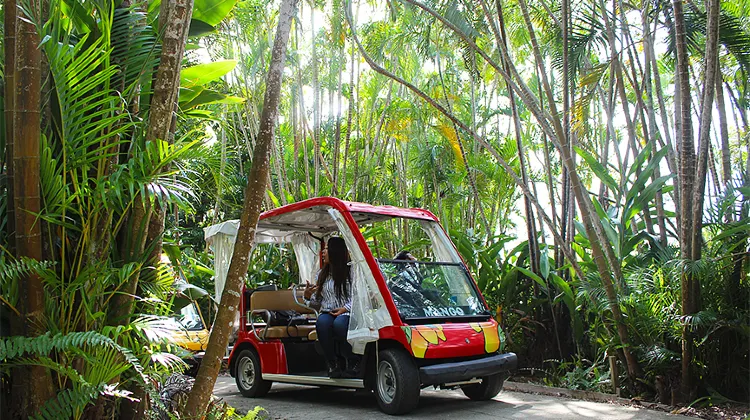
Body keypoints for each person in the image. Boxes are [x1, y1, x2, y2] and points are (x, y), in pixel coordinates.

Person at [303, 237, 360, 378]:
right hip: (328, 311)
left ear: (336, 251)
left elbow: (359, 296)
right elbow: (317, 303)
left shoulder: (352, 272)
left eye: (327, 249)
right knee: (322, 323)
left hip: (349, 312)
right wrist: (308, 296)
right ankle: (332, 363)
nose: (323, 252)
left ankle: (353, 360)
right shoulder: (321, 274)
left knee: (340, 324)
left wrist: (345, 308)